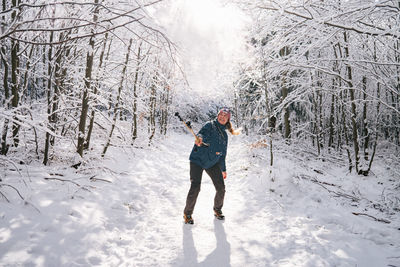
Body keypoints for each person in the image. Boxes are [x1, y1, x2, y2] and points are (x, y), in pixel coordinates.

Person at [183, 107, 239, 224]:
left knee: (221, 188)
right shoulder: (210, 125)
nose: (222, 117)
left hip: (212, 163)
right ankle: (187, 214)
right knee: (196, 187)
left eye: (225, 116)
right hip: (197, 160)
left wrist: (223, 169)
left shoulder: (224, 136)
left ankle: (217, 209)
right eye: (221, 115)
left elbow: (222, 155)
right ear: (218, 115)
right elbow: (201, 134)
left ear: (228, 120)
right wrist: (199, 139)